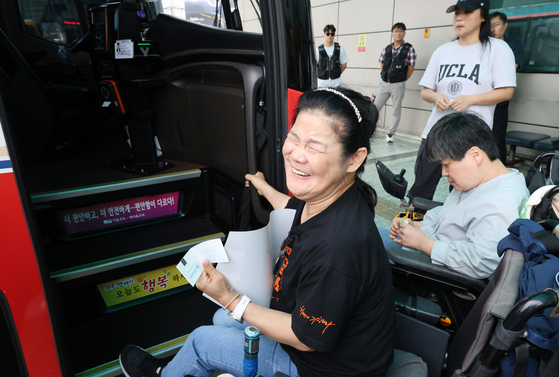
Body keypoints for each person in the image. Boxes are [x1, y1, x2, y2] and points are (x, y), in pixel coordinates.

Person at [118, 88, 396, 377]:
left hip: (325, 368)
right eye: (294, 138)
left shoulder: (338, 247)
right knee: (221, 319)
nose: (297, 155)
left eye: (315, 147)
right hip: (321, 339)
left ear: (354, 159)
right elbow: (294, 208)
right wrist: (264, 188)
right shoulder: (330, 197)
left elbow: (305, 338)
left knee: (203, 340)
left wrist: (229, 297)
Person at [379, 112, 529, 279]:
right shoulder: (478, 180)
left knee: (356, 245)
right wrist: (416, 226)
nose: (443, 173)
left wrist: (423, 243)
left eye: (447, 165)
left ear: (475, 155)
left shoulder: (501, 202)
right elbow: (450, 216)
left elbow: (481, 262)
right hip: (426, 246)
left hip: (428, 271)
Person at [407, 0, 517, 201]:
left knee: (463, 196)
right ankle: (413, 226)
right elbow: (426, 91)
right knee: (421, 189)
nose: (459, 17)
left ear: (483, 16)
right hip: (435, 132)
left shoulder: (498, 49)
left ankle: (454, 230)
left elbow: (506, 91)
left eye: (466, 12)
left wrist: (470, 100)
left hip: (472, 139)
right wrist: (437, 96)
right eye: (456, 12)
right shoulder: (443, 51)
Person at [374, 22, 417, 143]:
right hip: (384, 84)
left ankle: (390, 134)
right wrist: (387, 76)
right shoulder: (387, 48)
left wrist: (400, 80)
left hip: (398, 85)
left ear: (404, 33)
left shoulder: (409, 49)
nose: (398, 33)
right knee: (375, 107)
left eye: (401, 31)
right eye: (396, 31)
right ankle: (370, 129)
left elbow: (411, 68)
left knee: (396, 110)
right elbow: (382, 64)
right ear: (392, 33)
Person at [490, 11, 523, 164]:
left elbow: (512, 66)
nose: (493, 29)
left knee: (497, 137)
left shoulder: (514, 45)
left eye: (496, 25)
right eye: (490, 25)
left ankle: (499, 169)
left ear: (505, 25)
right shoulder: (484, 44)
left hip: (500, 99)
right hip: (479, 97)